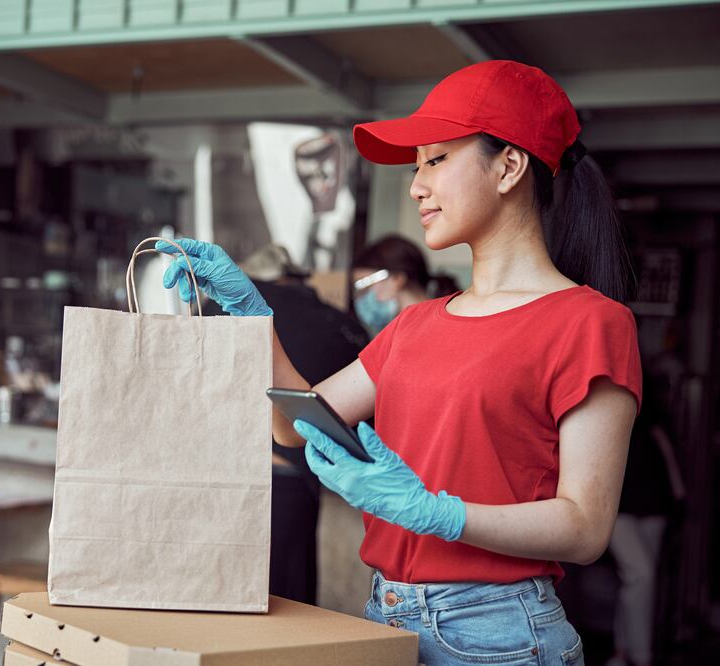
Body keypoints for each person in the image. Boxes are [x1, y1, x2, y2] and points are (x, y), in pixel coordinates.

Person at [158, 60, 641, 665]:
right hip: (385, 617)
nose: (416, 185)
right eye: (416, 166)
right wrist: (255, 318)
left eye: (436, 159)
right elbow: (295, 428)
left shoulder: (589, 322)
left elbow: (585, 528)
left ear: (510, 166)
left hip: (499, 633)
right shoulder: (415, 324)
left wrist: (436, 513)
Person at [204, 243, 368, 605]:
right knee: (287, 618)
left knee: (216, 607)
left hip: (223, 477)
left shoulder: (219, 309)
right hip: (293, 483)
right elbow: (298, 429)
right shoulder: (340, 323)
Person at [606, 375, 686, 666]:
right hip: (616, 504)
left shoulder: (649, 404)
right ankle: (641, 656)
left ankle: (623, 651)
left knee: (638, 580)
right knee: (642, 574)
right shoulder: (600, 399)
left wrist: (678, 491)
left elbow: (665, 446)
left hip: (654, 500)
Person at [351, 235, 459, 335]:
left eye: (364, 286)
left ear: (396, 278)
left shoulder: (435, 330)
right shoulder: (397, 332)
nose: (360, 298)